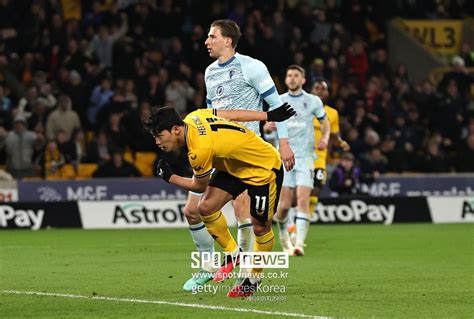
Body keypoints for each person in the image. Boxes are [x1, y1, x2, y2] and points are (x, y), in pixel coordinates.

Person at [181, 19, 295, 291]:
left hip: (249, 154)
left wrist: (285, 143)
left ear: (228, 40)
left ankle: (250, 275)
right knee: (198, 209)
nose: (206, 41)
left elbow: (278, 108)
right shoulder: (209, 72)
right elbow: (212, 114)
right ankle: (223, 262)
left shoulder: (252, 67)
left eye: (212, 37)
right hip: (221, 154)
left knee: (254, 220)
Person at [145, 104, 295, 297]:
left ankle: (254, 278)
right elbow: (231, 113)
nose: (157, 142)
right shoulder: (194, 116)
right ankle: (235, 254)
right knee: (206, 207)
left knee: (260, 227)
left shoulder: (199, 149)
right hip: (234, 167)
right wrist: (267, 115)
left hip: (263, 168)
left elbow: (199, 186)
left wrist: (170, 177)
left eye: (159, 136)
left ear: (175, 130)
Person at [270, 66, 330, 256]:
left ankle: (299, 244)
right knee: (284, 207)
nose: (292, 78)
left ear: (303, 80)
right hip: (285, 157)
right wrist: (269, 127)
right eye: (289, 75)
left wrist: (325, 138)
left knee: (304, 200)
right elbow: (268, 126)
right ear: (286, 80)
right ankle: (283, 234)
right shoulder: (279, 100)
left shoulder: (313, 101)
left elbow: (325, 123)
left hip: (305, 157)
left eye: (296, 76)